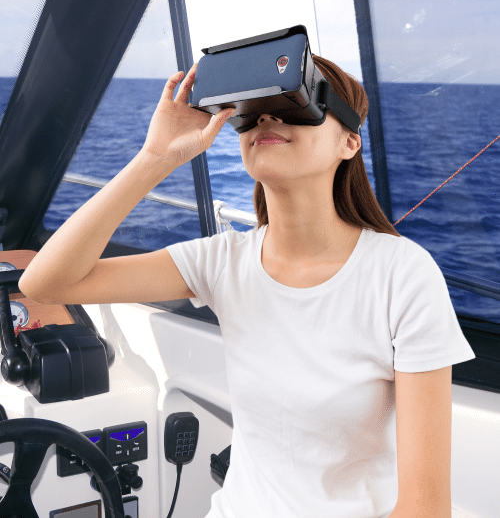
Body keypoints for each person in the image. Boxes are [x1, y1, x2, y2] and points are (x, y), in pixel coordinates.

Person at [19, 57, 475, 518]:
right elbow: (45, 282)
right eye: (251, 111)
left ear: (349, 142)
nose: (267, 118)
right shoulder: (223, 261)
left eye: (296, 102)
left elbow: (426, 507)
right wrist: (156, 158)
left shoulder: (403, 276)